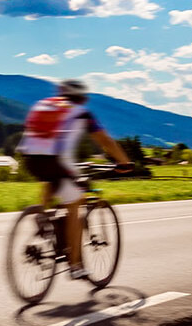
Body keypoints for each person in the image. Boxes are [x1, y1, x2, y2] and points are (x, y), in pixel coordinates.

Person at [15, 79, 132, 280]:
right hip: (55, 161)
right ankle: (75, 265)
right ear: (82, 98)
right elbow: (105, 141)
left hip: (28, 158)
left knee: (52, 180)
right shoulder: (81, 113)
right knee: (76, 203)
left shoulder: (43, 105)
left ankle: (42, 214)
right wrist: (124, 162)